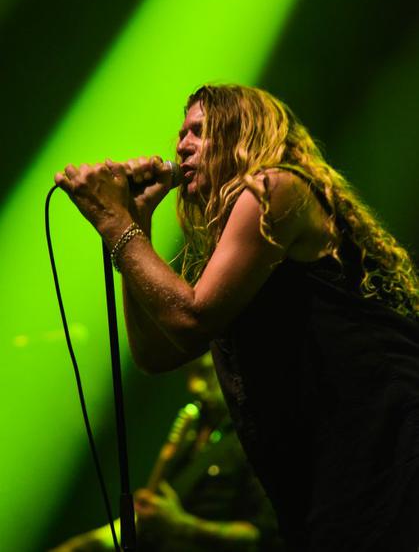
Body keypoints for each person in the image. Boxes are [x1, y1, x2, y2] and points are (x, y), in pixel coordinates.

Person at [55, 83, 419, 552]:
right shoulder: (240, 237)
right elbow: (157, 352)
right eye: (181, 134)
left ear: (243, 134)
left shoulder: (276, 188)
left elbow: (191, 320)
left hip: (389, 453)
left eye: (199, 131)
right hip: (325, 476)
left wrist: (114, 222)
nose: (181, 146)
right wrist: (135, 224)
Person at [50, 352, 284, 551]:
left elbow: (262, 535)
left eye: (204, 373)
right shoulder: (193, 427)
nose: (194, 386)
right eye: (188, 375)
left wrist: (181, 526)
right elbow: (152, 515)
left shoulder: (253, 439)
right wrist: (89, 544)